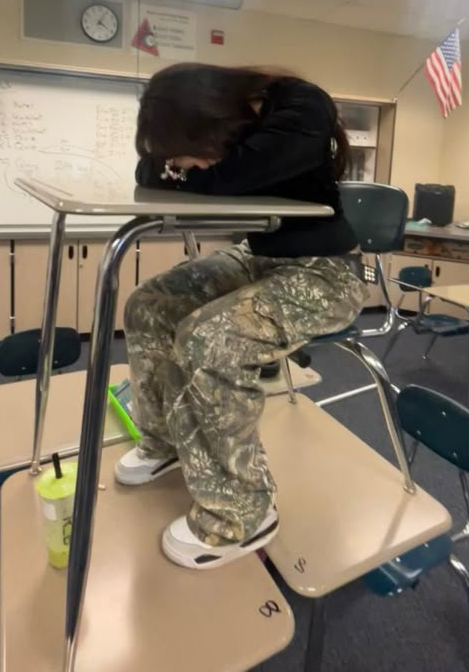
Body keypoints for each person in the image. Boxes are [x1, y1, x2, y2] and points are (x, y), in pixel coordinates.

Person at [114, 63, 368, 570]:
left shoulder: (300, 102)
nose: (181, 163)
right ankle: (165, 439)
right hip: (260, 259)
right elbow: (150, 172)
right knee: (148, 306)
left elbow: (238, 175)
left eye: (183, 149)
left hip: (326, 272)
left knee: (209, 340)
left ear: (204, 121)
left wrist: (187, 174)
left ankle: (243, 512)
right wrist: (185, 168)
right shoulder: (225, 140)